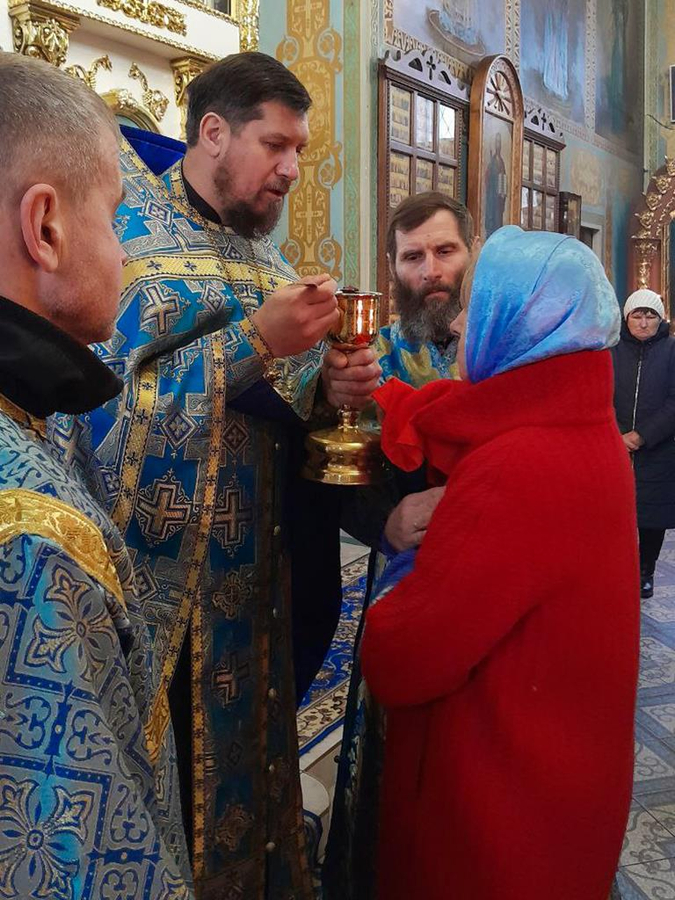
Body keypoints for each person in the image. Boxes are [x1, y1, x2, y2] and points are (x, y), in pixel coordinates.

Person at [51, 51, 379, 900]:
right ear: (212, 132)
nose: (291, 170)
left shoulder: (267, 263)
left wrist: (327, 387)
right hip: (162, 599)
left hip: (256, 594)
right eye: (276, 145)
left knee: (242, 785)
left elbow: (280, 401)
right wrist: (256, 342)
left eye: (300, 150)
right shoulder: (128, 242)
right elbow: (97, 411)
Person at [360, 226, 640, 900]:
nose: (459, 321)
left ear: (514, 323)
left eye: (474, 305)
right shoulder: (582, 425)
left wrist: (388, 596)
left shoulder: (513, 466)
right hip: (564, 785)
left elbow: (406, 658)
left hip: (494, 812)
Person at [0, 53, 192, 898]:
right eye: (117, 217)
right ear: (45, 227)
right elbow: (83, 857)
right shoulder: (35, 532)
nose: (125, 252)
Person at [324, 191, 472, 900]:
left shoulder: (511, 349)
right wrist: (384, 520)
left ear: (470, 255)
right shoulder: (366, 364)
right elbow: (340, 477)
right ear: (392, 270)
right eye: (413, 257)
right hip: (408, 601)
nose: (430, 270)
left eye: (444, 251)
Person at [612, 289, 675, 598]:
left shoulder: (672, 350)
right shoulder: (610, 351)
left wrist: (640, 436)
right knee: (615, 512)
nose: (644, 322)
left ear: (660, 319)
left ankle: (645, 571)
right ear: (627, 318)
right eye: (638, 315)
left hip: (657, 449)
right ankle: (616, 569)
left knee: (651, 517)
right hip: (613, 447)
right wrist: (616, 435)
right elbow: (599, 398)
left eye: (651, 315)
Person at [484, 131, 507, 237]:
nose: (498, 145)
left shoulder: (501, 162)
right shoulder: (492, 161)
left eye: (499, 142)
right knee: (491, 217)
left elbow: (504, 177)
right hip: (492, 195)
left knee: (498, 218)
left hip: (498, 197)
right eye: (497, 142)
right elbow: (488, 177)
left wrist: (503, 193)